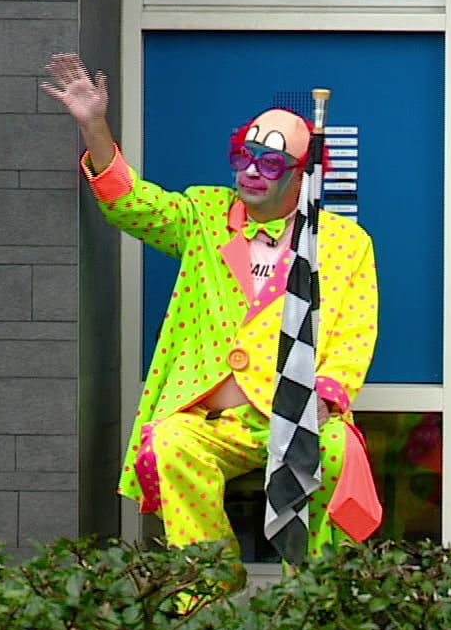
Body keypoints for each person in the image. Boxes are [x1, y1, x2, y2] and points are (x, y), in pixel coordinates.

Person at [42, 52, 380, 564]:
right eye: (245, 156)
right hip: (210, 422)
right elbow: (130, 203)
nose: (252, 172)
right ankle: (209, 582)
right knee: (171, 443)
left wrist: (328, 397)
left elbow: (355, 330)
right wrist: (94, 126)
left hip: (293, 413)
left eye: (271, 163)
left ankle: (312, 592)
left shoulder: (342, 243)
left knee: (335, 451)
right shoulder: (205, 213)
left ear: (303, 175)